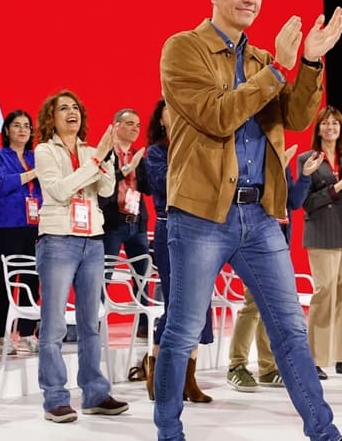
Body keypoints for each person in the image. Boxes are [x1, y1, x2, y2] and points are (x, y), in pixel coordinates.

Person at [156, 0, 342, 441]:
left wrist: (308, 61)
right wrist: (281, 68)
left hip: (260, 216)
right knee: (181, 332)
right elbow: (217, 116)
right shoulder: (183, 49)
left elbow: (301, 116)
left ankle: (325, 434)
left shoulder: (266, 60)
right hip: (201, 215)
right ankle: (169, 435)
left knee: (289, 331)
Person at [33, 89, 128, 423]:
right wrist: (96, 161)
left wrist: (100, 159)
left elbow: (105, 191)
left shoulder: (92, 150)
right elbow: (58, 191)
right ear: (52, 118)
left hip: (92, 240)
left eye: (75, 108)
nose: (71, 112)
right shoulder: (44, 150)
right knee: (55, 323)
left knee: (91, 321)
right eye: (63, 108)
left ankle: (95, 393)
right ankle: (55, 398)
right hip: (58, 240)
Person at [142, 98, 213, 404]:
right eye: (168, 108)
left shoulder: (199, 143)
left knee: (199, 305)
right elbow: (165, 185)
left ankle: (189, 377)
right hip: (169, 226)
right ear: (160, 119)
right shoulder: (156, 152)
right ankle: (156, 369)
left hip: (201, 229)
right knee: (176, 304)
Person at [226, 144, 312, 390]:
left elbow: (293, 201)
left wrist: (304, 175)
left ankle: (267, 367)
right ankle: (237, 365)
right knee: (253, 305)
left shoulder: (281, 163)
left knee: (271, 306)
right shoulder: (252, 162)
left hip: (277, 243)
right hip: (253, 242)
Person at [299, 106, 342, 378]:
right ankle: (315, 359)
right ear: (318, 129)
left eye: (335, 124)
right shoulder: (308, 159)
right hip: (323, 233)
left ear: (341, 130)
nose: (331, 128)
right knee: (325, 291)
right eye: (326, 123)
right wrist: (338, 186)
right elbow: (306, 203)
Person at [0, 109, 42, 355]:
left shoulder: (37, 156)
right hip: (6, 226)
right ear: (7, 130)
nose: (22, 130)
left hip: (34, 226)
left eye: (27, 126)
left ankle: (28, 332)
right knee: (6, 281)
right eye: (17, 125)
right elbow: (3, 184)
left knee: (32, 280)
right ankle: (1, 336)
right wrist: (32, 174)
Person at [99, 107, 151, 340]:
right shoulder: (107, 152)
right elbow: (103, 188)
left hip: (136, 222)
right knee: (103, 274)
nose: (135, 129)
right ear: (116, 125)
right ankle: (95, 321)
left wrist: (143, 167)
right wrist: (126, 169)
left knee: (142, 275)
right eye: (130, 123)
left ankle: (144, 324)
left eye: (138, 125)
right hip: (113, 222)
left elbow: (148, 189)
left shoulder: (140, 157)